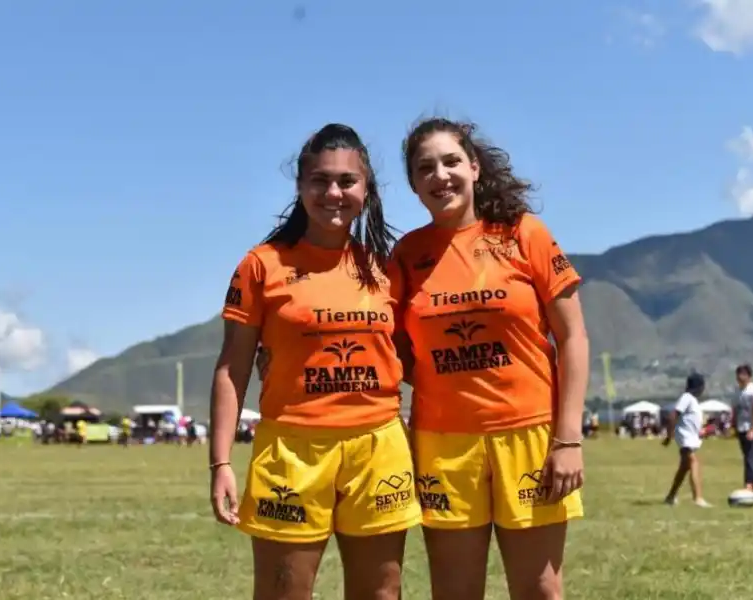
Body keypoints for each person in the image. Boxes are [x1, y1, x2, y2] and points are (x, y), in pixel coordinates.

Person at [209, 123, 421, 600]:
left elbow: (414, 354)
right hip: (292, 448)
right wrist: (220, 461)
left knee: (383, 593)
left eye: (347, 181)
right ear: (301, 187)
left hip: (377, 448)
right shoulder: (262, 265)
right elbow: (232, 367)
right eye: (319, 180)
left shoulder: (384, 268)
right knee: (284, 592)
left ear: (366, 190)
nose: (333, 192)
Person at [394, 117, 589, 600]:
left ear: (474, 167)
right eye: (425, 168)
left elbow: (573, 337)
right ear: (414, 186)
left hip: (530, 436)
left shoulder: (525, 233)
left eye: (451, 161)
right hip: (443, 443)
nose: (440, 176)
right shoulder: (407, 253)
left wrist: (567, 439)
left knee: (540, 590)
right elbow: (390, 348)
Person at [662, 372, 710, 507]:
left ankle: (670, 497)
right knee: (694, 462)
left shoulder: (693, 401)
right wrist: (669, 435)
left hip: (691, 438)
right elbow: (673, 415)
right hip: (684, 438)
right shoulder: (687, 397)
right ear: (697, 387)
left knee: (684, 468)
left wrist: (702, 431)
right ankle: (698, 498)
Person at [732, 364, 753, 491]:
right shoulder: (737, 392)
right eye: (738, 374)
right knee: (748, 456)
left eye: (743, 374)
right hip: (742, 427)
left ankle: (749, 483)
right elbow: (735, 410)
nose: (740, 377)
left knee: (750, 455)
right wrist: (734, 426)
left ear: (749, 376)